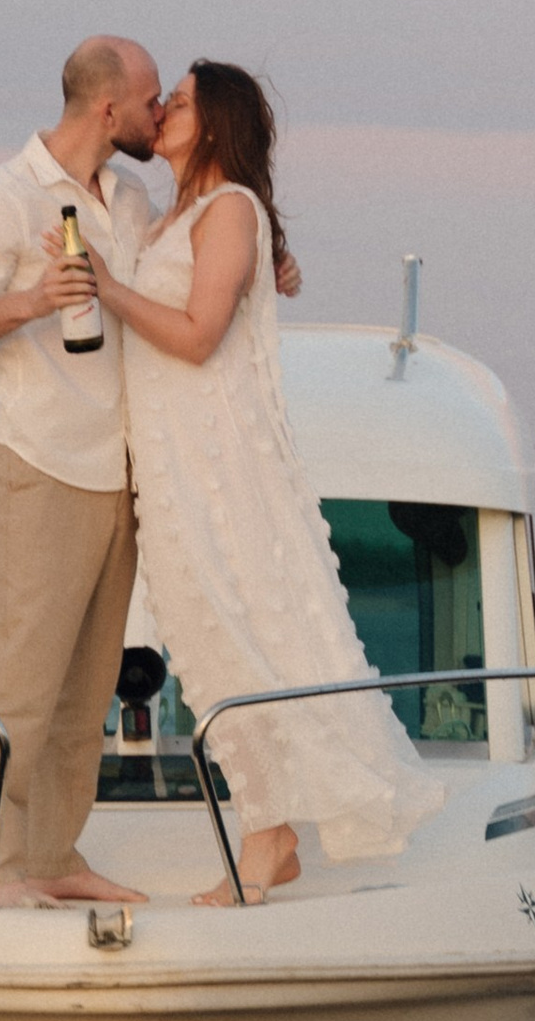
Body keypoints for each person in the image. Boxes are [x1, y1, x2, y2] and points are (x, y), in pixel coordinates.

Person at [86, 61, 443, 903]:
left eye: (180, 99)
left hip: (218, 461)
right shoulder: (178, 213)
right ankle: (267, 827)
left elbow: (202, 332)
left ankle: (269, 840)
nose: (165, 106)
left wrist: (107, 291)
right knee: (210, 648)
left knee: (248, 635)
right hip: (172, 464)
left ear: (214, 123)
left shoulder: (230, 209)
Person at [0, 37, 166, 908]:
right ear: (109, 109)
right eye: (150, 100)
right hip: (39, 460)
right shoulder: (8, 198)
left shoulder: (132, 198)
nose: (159, 113)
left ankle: (54, 853)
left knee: (86, 683)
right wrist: (34, 298)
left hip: (117, 470)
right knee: (19, 678)